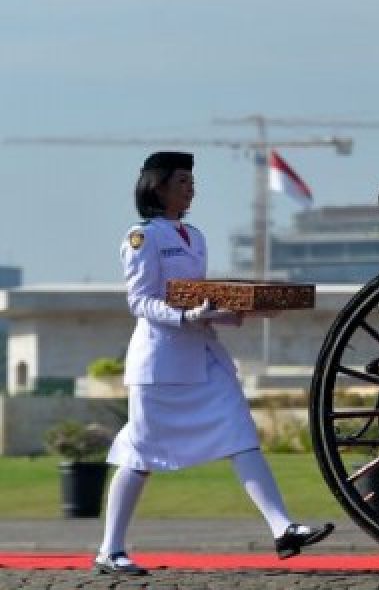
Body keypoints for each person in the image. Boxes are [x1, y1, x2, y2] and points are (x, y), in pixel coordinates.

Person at [94, 152, 333, 576]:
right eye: (183, 180)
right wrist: (187, 317)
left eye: (192, 181)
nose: (192, 188)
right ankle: (110, 550)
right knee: (141, 454)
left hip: (204, 356)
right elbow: (141, 301)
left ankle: (283, 528)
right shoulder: (142, 237)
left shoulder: (195, 236)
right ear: (158, 186)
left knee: (241, 433)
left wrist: (243, 312)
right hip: (161, 363)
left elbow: (201, 300)